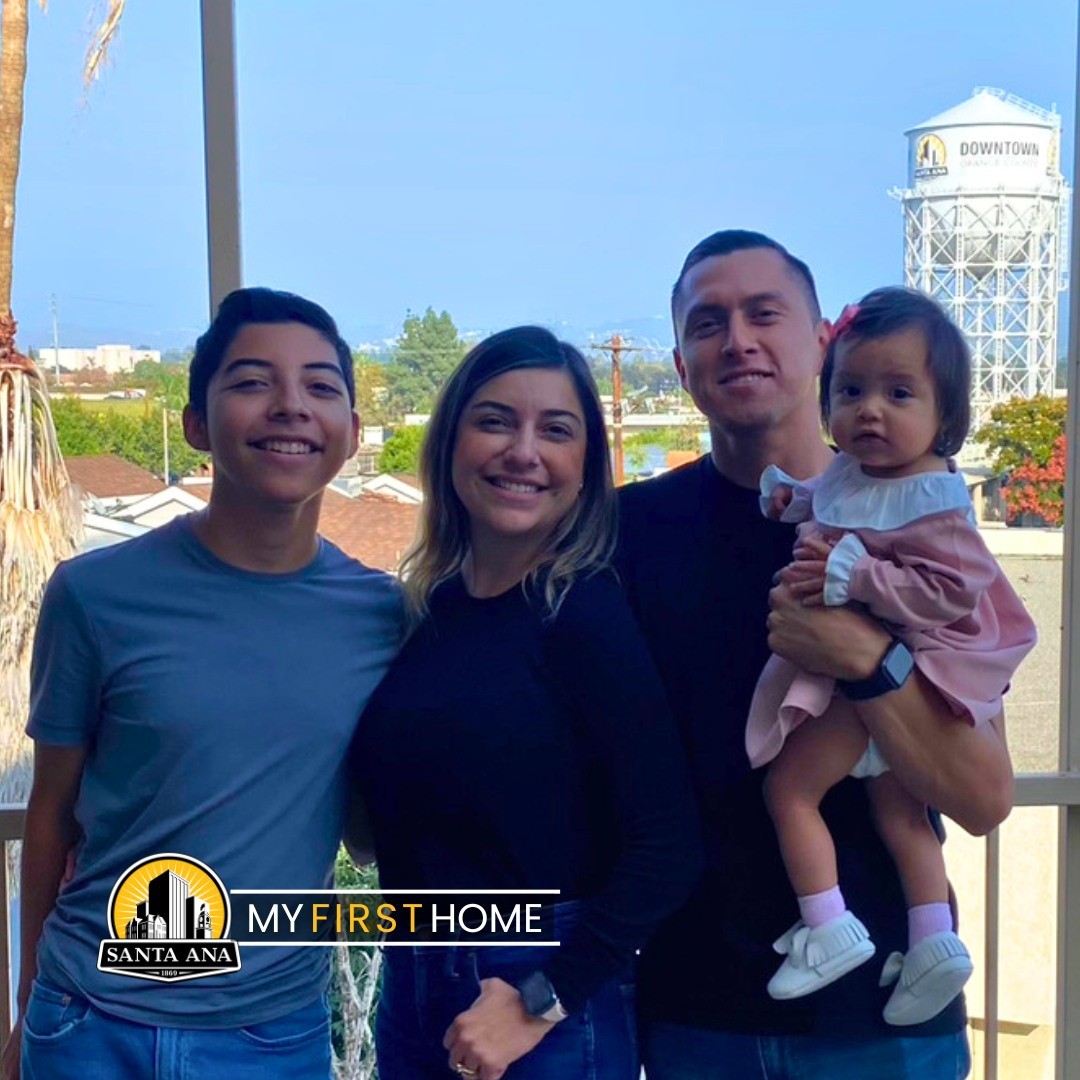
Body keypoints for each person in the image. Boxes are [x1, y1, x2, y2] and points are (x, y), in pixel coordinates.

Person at [616, 231, 1013, 1079]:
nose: (738, 339)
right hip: (694, 1013)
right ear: (683, 367)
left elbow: (983, 797)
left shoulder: (921, 521)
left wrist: (867, 658)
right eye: (706, 323)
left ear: (823, 340)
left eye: (765, 313)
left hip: (886, 1028)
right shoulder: (625, 534)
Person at [5, 288, 403, 1080]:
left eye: (321, 387)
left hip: (272, 1034)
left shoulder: (383, 615)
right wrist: (25, 1016)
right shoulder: (94, 594)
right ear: (195, 423)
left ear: (353, 436)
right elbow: (50, 815)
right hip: (90, 1020)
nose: (291, 406)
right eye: (253, 381)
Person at [352, 325, 701, 1080]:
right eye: (495, 420)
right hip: (412, 976)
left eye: (556, 430)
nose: (523, 451)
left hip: (537, 1002)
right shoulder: (430, 609)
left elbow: (668, 847)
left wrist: (540, 999)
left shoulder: (582, 616)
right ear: (450, 444)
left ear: (585, 466)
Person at [746, 287, 1036, 1023]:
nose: (870, 409)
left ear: (946, 417)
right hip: (709, 1008)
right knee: (899, 810)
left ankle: (828, 924)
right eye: (851, 391)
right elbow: (834, 500)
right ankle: (933, 938)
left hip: (900, 680)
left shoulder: (932, 499)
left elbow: (952, 588)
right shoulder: (859, 477)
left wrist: (855, 583)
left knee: (791, 791)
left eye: (899, 392)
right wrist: (794, 500)